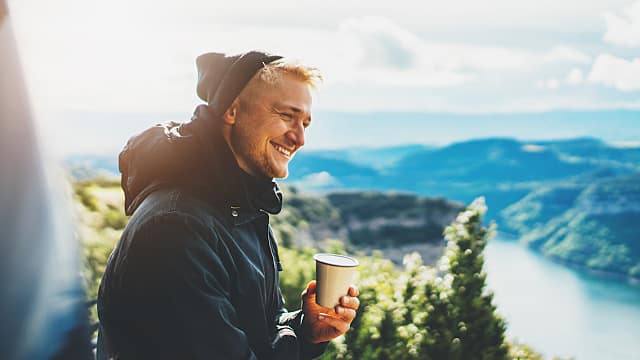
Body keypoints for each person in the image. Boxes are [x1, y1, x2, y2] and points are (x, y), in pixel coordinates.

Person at [97, 51, 360, 359]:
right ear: (232, 110)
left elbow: (262, 333)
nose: (299, 138)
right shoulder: (175, 228)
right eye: (287, 116)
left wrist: (306, 329)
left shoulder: (242, 211)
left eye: (305, 123)